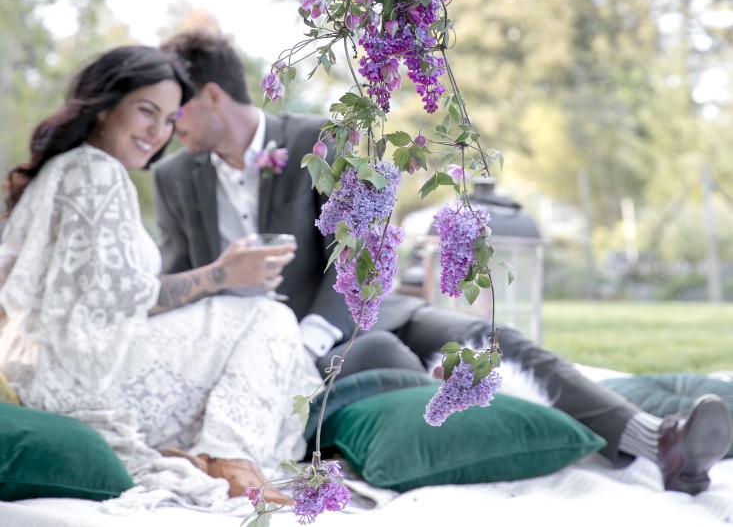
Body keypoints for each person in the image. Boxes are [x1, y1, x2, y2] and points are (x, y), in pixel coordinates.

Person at [155, 30, 732, 497]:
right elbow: (176, 281)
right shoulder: (173, 177)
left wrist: (311, 334)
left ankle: (662, 441)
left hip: (359, 313)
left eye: (174, 111)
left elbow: (359, 255)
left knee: (495, 342)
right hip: (280, 355)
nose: (167, 128)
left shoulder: (317, 139)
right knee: (395, 362)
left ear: (211, 96)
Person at [0, 46, 320, 513]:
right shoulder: (96, 172)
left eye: (170, 119)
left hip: (42, 370)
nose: (158, 132)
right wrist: (222, 273)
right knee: (266, 317)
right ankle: (231, 460)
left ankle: (220, 457)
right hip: (80, 378)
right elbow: (122, 298)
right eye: (146, 111)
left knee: (250, 326)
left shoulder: (68, 168)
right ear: (105, 106)